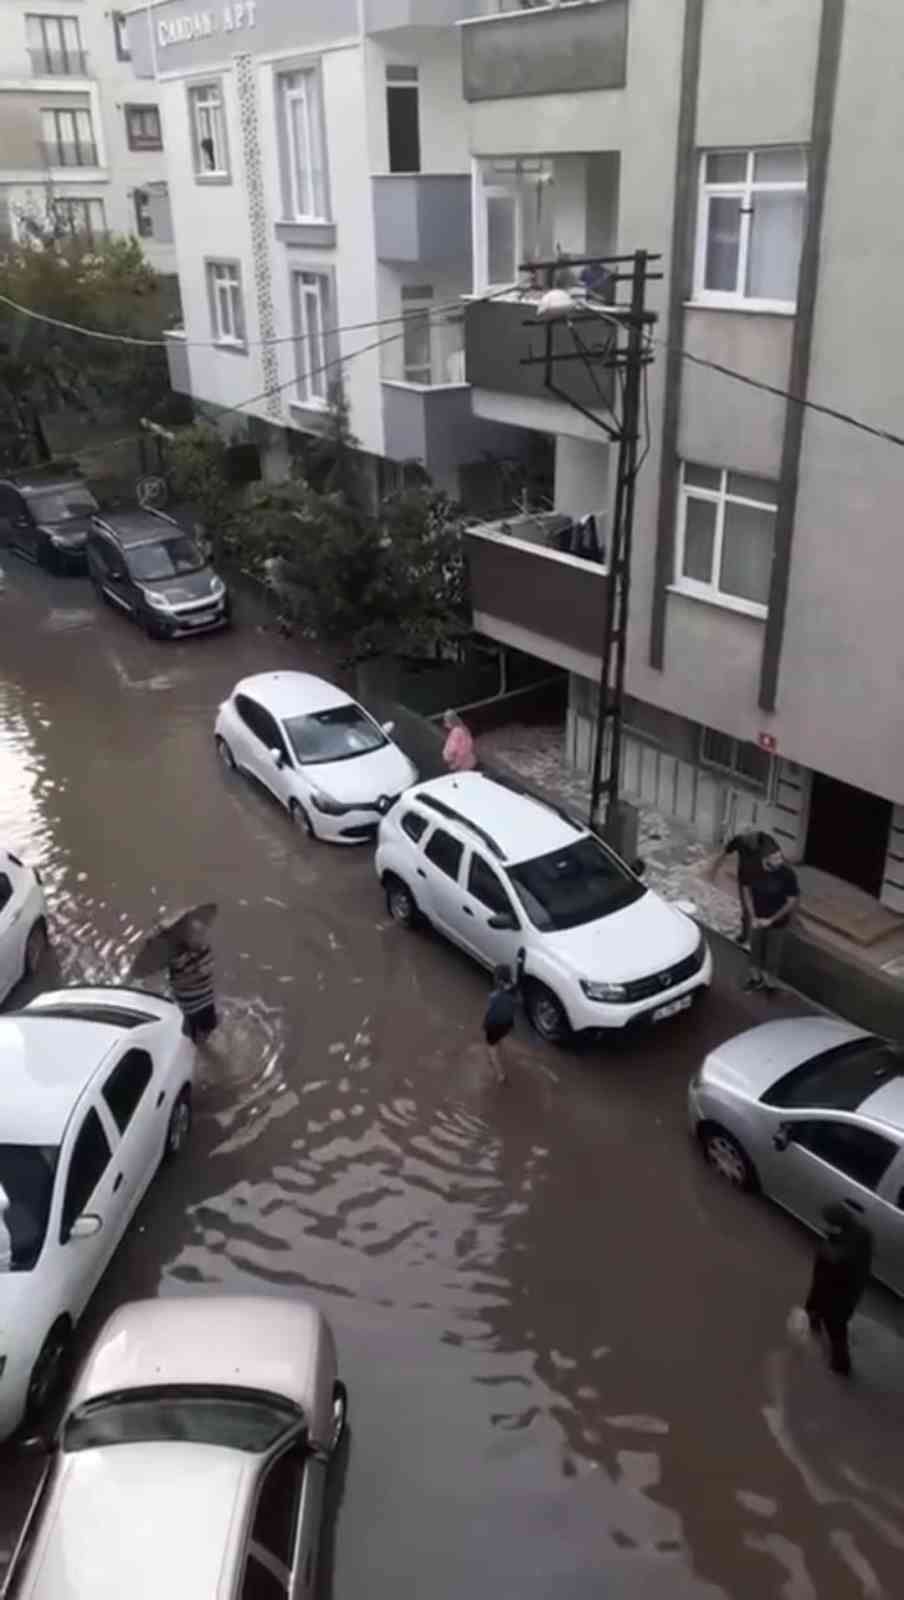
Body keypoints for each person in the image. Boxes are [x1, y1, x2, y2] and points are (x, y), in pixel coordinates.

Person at [805, 1202, 873, 1376]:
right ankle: (815, 1320)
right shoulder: (855, 1235)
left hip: (840, 1295)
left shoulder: (850, 1243)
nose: (823, 1226)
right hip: (830, 1287)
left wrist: (829, 1244)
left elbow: (837, 1259)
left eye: (827, 1223)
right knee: (815, 1307)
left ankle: (841, 1365)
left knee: (836, 1328)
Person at [708, 829, 778, 946]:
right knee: (746, 909)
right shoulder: (739, 840)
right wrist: (714, 868)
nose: (748, 844)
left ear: (756, 837)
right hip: (745, 881)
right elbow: (724, 853)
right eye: (746, 842)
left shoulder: (767, 842)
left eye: (750, 842)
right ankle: (745, 936)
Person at [743, 846, 799, 993]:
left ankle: (770, 983)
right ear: (765, 859)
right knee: (755, 950)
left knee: (773, 955)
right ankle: (755, 979)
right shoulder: (752, 870)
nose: (780, 861)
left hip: (777, 923)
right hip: (757, 919)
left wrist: (772, 920)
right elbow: (747, 893)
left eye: (780, 857)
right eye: (775, 858)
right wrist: (753, 916)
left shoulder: (788, 874)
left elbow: (791, 901)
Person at [167, 915, 218, 1042]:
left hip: (192, 1001)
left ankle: (191, 1029)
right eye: (199, 935)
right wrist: (196, 974)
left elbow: (209, 966)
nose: (203, 938)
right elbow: (176, 983)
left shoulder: (203, 949)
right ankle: (199, 1039)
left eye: (202, 934)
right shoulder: (177, 960)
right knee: (204, 1024)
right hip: (197, 1000)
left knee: (193, 1018)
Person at [483, 965, 516, 1085]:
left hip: (494, 1026)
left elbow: (489, 1012)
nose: (494, 979)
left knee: (491, 1048)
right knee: (499, 1038)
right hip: (507, 1024)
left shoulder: (494, 996)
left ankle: (500, 1074)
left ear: (499, 980)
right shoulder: (514, 990)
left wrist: (485, 1024)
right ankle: (499, 1045)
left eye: (495, 977)